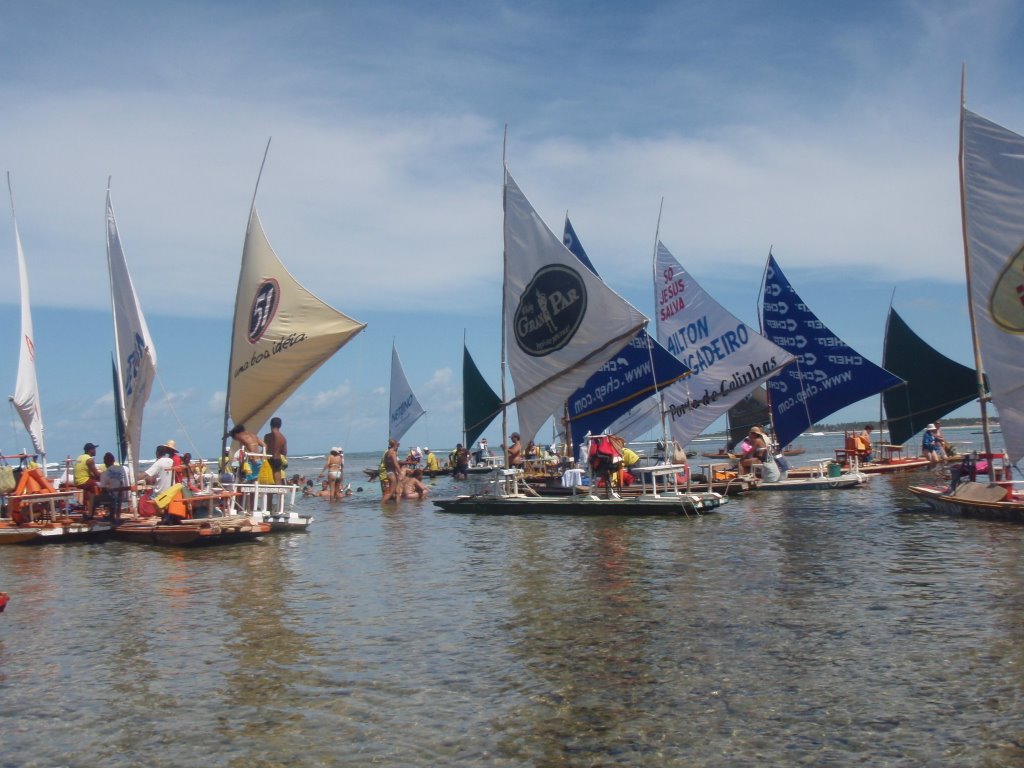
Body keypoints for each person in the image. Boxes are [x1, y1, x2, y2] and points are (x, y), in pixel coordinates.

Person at [95, 452, 128, 524]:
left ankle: (91, 516)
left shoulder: (105, 473)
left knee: (96, 497)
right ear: (113, 461)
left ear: (105, 462)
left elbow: (102, 488)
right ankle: (113, 515)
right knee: (112, 493)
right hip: (125, 494)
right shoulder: (122, 469)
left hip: (114, 497)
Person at [74, 442, 102, 514]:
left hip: (77, 481)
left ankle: (89, 506)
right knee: (99, 486)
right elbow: (96, 474)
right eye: (94, 449)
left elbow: (87, 472)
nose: (95, 451)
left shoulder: (80, 457)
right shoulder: (89, 459)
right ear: (90, 450)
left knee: (95, 482)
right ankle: (95, 507)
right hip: (83, 481)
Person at [263, 416, 288, 484]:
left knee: (268, 481)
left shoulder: (267, 436)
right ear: (280, 426)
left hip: (268, 459)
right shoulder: (283, 438)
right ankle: (279, 494)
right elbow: (284, 452)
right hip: (277, 459)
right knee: (277, 481)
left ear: (271, 425)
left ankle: (269, 495)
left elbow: (264, 449)